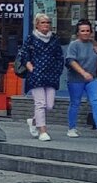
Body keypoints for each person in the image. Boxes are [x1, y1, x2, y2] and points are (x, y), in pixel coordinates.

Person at [16, 13, 65, 142]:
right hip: (36, 75)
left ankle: (33, 121)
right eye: (43, 22)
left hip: (51, 75)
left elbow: (60, 56)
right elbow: (24, 54)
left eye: (48, 22)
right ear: (37, 24)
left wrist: (58, 71)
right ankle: (43, 131)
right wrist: (29, 66)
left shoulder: (54, 39)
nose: (45, 25)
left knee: (49, 105)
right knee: (40, 103)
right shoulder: (31, 38)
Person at [64, 19, 97, 139]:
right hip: (76, 79)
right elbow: (70, 61)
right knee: (75, 103)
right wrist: (83, 73)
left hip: (92, 78)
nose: (85, 33)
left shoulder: (93, 43)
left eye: (88, 31)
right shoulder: (74, 45)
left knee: (96, 101)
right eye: (82, 31)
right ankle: (71, 128)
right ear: (78, 33)